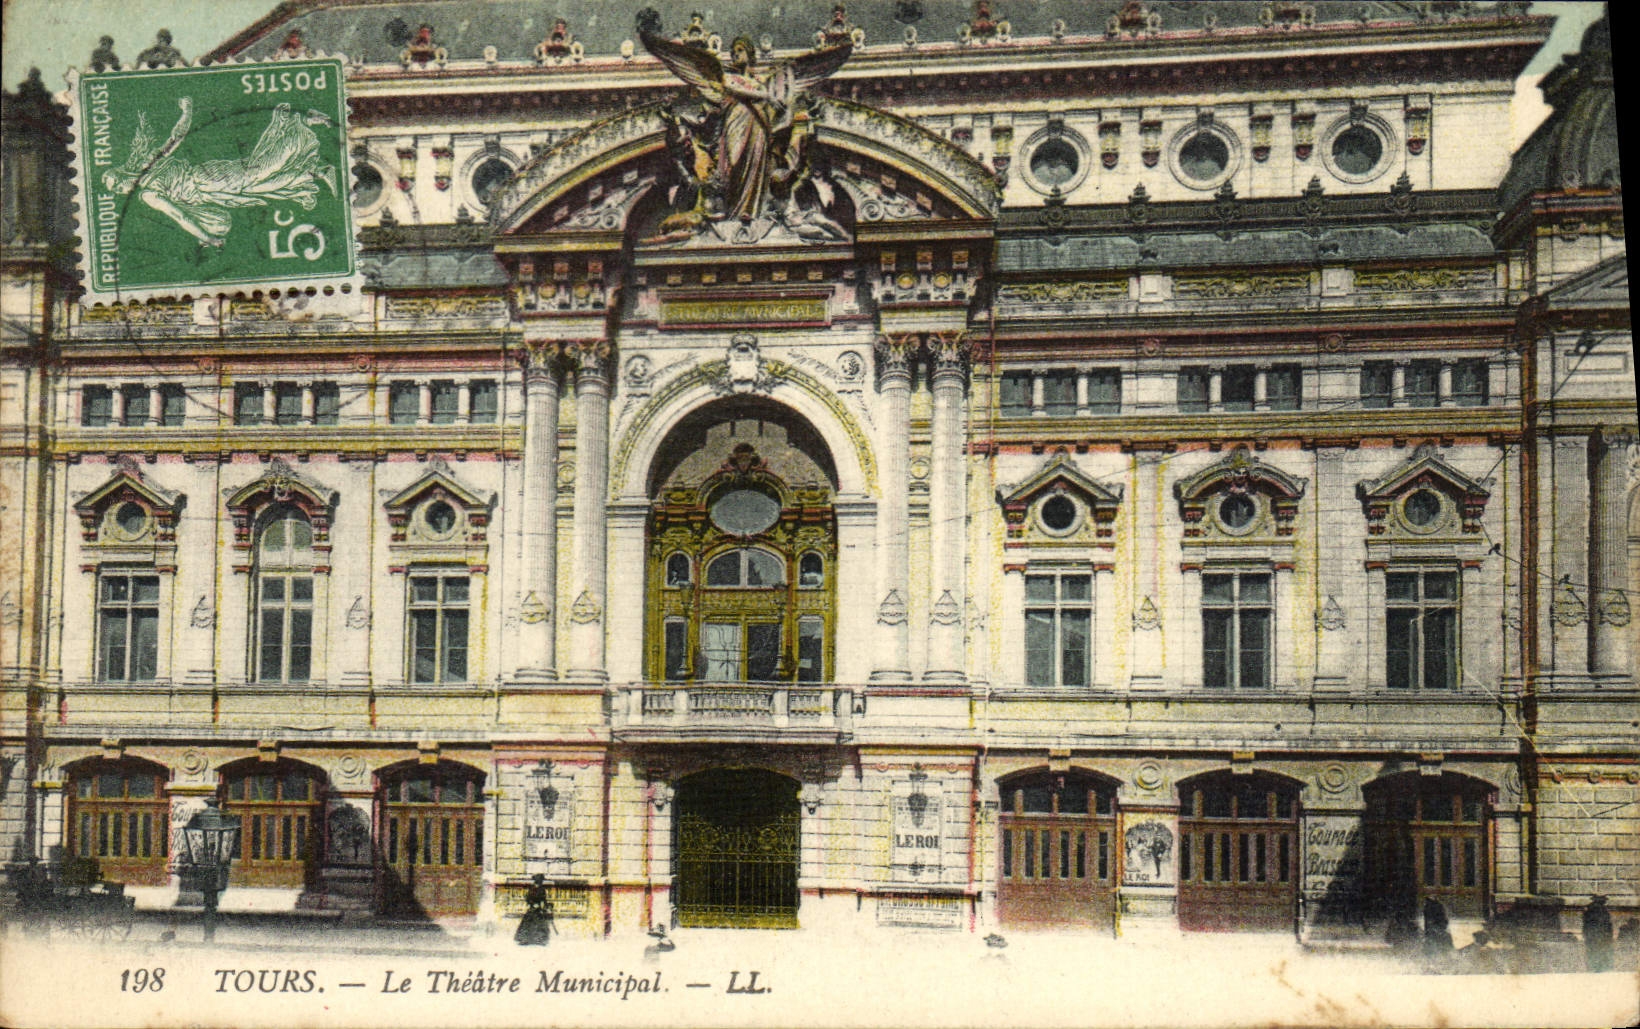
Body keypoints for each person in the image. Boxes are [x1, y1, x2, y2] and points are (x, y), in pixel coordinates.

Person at [103, 98, 338, 248]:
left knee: (257, 173)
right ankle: (316, 169)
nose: (119, 191)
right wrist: (187, 111)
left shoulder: (148, 194)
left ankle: (302, 122)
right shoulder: (149, 165)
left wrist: (209, 239)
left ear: (124, 175)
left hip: (208, 183)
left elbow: (180, 216)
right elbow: (177, 138)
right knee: (262, 184)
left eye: (116, 185)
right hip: (208, 181)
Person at [514, 874, 554, 946]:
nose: (540, 883)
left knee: (541, 923)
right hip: (532, 908)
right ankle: (525, 939)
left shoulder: (542, 889)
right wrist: (532, 904)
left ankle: (540, 940)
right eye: (539, 881)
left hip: (539, 909)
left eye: (541, 881)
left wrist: (545, 906)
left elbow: (544, 899)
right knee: (529, 923)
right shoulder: (532, 889)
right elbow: (528, 899)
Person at [1581, 895, 1613, 972]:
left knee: (1593, 952)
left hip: (1592, 936)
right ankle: (1599, 968)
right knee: (1600, 952)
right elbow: (1607, 925)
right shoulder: (1603, 911)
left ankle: (1593, 968)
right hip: (1600, 936)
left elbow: (1585, 924)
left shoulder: (1589, 910)